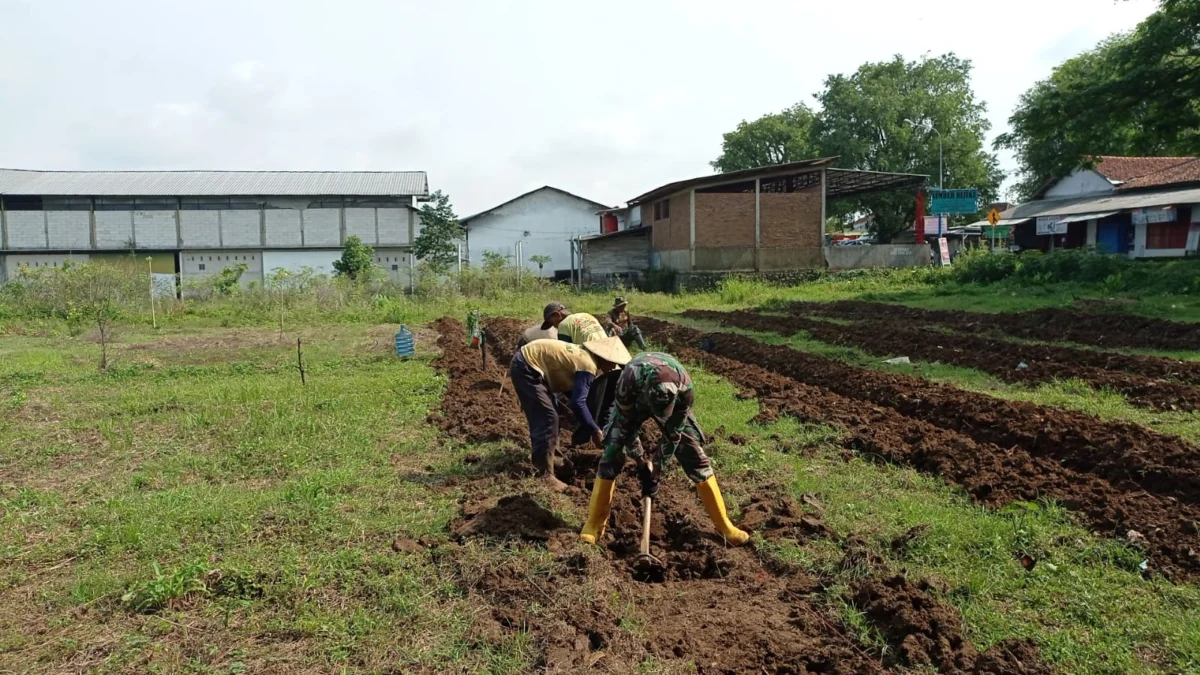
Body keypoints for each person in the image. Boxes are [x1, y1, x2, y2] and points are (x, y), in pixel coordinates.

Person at [579, 352, 750, 545]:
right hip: (635, 399)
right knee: (612, 452)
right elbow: (627, 429)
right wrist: (641, 462)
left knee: (695, 457)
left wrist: (657, 470)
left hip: (674, 401)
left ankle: (724, 526)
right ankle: (594, 523)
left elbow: (673, 434)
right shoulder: (628, 385)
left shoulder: (685, 389)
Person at [509, 335, 632, 490]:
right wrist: (594, 430)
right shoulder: (588, 365)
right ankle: (544, 475)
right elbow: (577, 403)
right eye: (613, 361)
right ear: (604, 357)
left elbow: (575, 396)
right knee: (548, 418)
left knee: (552, 415)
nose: (614, 366)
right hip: (527, 366)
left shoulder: (584, 357)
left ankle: (554, 460)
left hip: (531, 363)